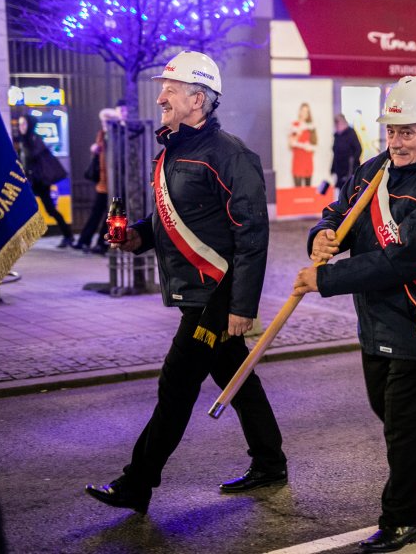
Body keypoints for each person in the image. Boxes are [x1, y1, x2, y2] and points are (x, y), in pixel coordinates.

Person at [84, 50, 287, 514]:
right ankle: (270, 462)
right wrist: (137, 236)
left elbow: (252, 234)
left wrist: (242, 307)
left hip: (214, 296)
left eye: (170, 90)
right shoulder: (173, 150)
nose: (161, 98)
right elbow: (175, 221)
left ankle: (137, 483)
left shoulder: (231, 155)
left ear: (198, 99)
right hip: (193, 290)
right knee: (236, 377)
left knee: (175, 386)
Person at [294, 76, 416, 553]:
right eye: (392, 132)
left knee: (404, 431)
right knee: (393, 414)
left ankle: (401, 520)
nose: (397, 142)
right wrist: (322, 234)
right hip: (374, 322)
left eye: (407, 132)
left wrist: (326, 280)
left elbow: (404, 259)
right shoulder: (372, 170)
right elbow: (340, 212)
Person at [72, 102, 127, 254]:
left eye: (106, 121)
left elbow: (119, 158)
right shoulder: (102, 135)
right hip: (103, 181)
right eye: (102, 121)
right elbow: (101, 156)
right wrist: (94, 150)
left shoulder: (118, 134)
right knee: (97, 212)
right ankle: (86, 240)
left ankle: (104, 243)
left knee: (113, 213)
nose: (104, 124)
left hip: (116, 182)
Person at [16, 113, 73, 248]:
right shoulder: (23, 140)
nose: (21, 127)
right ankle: (21, 238)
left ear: (30, 125)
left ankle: (68, 235)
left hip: (40, 181)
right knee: (22, 208)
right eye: (19, 124)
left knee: (50, 210)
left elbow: (33, 156)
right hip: (29, 181)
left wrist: (24, 145)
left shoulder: (35, 139)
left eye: (24, 123)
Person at [331, 113, 362, 193]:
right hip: (339, 170)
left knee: (350, 191)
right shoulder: (337, 135)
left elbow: (358, 149)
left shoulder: (351, 133)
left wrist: (352, 160)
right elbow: (335, 153)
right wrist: (332, 168)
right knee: (341, 192)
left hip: (350, 169)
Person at [290, 102, 316, 187]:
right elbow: (291, 143)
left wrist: (309, 147)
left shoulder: (311, 127)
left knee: (308, 191)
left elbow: (315, 145)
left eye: (306, 111)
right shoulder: (295, 125)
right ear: (299, 111)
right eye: (303, 111)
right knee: (298, 191)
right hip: (297, 162)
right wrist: (300, 130)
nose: (304, 113)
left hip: (308, 161)